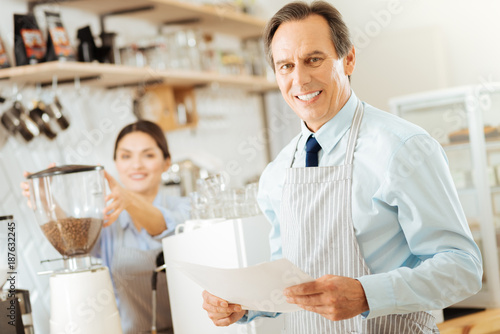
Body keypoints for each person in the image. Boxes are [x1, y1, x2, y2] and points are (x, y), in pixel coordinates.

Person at [201, 1, 482, 333]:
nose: (300, 79)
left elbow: (463, 269)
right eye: (286, 66)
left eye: (313, 60)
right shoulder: (277, 174)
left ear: (348, 59)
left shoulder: (404, 148)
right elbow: (289, 284)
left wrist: (366, 295)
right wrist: (243, 302)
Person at [21, 120, 190, 334]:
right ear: (116, 163)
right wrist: (47, 201)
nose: (136, 165)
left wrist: (129, 199)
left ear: (166, 162)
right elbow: (73, 240)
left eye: (148, 155)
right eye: (126, 156)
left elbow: (168, 228)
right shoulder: (108, 222)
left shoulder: (186, 208)